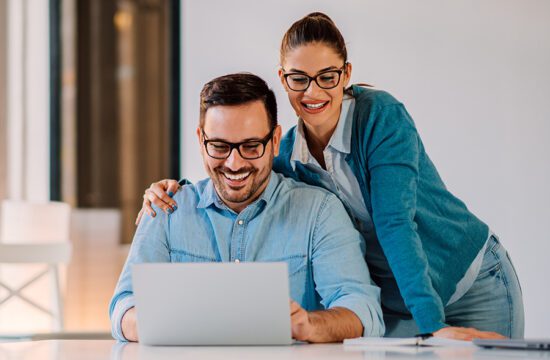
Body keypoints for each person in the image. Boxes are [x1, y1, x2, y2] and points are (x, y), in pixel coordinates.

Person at [138, 13, 523, 340]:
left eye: (326, 76)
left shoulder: (380, 118)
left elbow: (394, 224)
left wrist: (432, 329)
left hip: (468, 280)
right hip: (400, 298)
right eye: (299, 78)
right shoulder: (287, 152)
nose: (313, 91)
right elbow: (240, 170)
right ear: (283, 78)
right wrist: (177, 190)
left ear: (346, 74)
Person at [110, 73, 384, 343]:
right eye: (219, 146)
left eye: (251, 146)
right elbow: (123, 308)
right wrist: (168, 323)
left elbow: (364, 311)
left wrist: (309, 325)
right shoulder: (167, 211)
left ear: (275, 141)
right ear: (200, 141)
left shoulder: (319, 212)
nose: (234, 163)